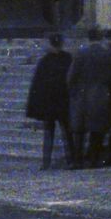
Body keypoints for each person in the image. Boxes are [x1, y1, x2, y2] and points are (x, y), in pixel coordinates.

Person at [25, 33, 75, 169]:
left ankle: (46, 162)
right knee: (67, 132)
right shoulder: (68, 58)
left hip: (50, 103)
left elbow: (37, 84)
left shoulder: (45, 61)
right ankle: (71, 160)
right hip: (63, 101)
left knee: (50, 133)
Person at [67, 27, 111, 168]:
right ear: (100, 38)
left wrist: (73, 92)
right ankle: (93, 159)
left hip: (82, 96)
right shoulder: (107, 55)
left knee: (80, 130)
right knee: (97, 129)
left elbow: (70, 77)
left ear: (88, 38)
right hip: (100, 95)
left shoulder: (80, 54)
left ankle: (77, 160)